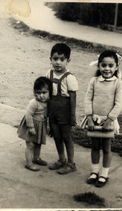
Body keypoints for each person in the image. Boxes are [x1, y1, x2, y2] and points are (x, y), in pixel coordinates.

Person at [83, 50, 122, 187]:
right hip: (94, 119)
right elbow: (88, 99)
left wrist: (110, 120)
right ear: (99, 66)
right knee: (95, 146)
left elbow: (118, 104)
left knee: (106, 148)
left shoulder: (118, 83)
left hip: (108, 121)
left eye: (111, 66)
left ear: (116, 67)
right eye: (103, 65)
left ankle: (104, 174)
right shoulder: (94, 81)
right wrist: (89, 117)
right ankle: (94, 172)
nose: (107, 69)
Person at [46, 43, 78, 174]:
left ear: (68, 61)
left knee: (66, 137)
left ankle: (71, 163)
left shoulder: (70, 78)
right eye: (55, 59)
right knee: (57, 136)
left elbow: (73, 97)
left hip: (65, 111)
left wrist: (72, 115)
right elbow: (46, 92)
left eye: (62, 59)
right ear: (50, 59)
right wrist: (46, 110)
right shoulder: (49, 74)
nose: (58, 62)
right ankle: (61, 159)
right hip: (53, 110)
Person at [17, 76, 52, 171]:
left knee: (38, 143)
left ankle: (36, 158)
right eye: (38, 93)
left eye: (44, 93)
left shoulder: (47, 102)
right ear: (34, 93)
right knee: (30, 145)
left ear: (49, 93)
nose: (41, 95)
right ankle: (28, 163)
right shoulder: (33, 103)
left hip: (40, 126)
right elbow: (28, 115)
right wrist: (31, 127)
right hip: (31, 125)